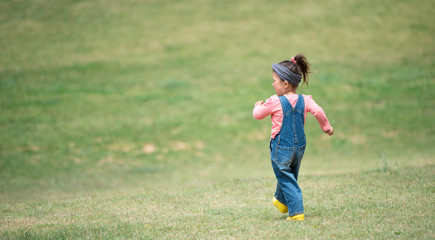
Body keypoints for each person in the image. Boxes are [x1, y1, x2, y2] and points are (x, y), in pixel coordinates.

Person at [253, 54, 333, 221]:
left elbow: (258, 115)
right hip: (299, 147)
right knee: (289, 173)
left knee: (284, 176)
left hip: (281, 147)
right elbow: (318, 111)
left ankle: (296, 212)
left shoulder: (275, 101)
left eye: (275, 81)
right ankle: (281, 201)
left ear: (285, 83)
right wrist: (326, 127)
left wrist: (258, 106)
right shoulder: (305, 99)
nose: (273, 84)